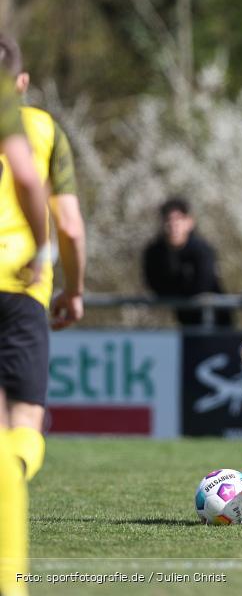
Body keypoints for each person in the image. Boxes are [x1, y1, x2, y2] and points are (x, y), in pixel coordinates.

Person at [0, 34, 87, 492]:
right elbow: (69, 225)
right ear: (22, 81)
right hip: (19, 284)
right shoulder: (41, 128)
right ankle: (11, 476)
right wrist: (72, 290)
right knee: (25, 422)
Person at [0, 64, 49, 596]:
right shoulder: (27, 122)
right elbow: (28, 177)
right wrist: (44, 247)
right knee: (20, 430)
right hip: (14, 281)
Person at [142, 198, 233, 328]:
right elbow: (154, 283)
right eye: (168, 219)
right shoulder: (155, 253)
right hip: (184, 320)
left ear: (189, 222)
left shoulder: (202, 250)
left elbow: (204, 284)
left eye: (178, 219)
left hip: (216, 320)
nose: (173, 225)